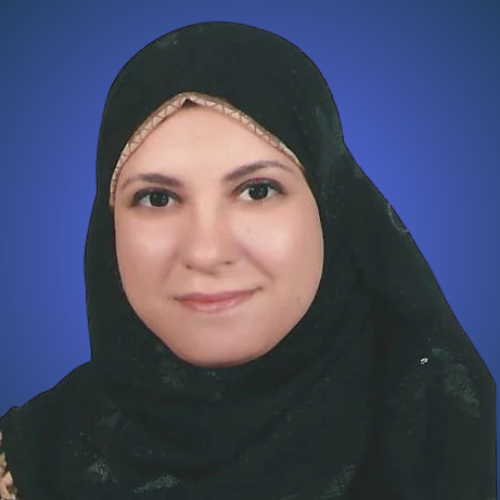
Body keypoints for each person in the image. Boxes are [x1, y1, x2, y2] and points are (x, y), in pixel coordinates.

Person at [0, 21, 496, 500]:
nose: (206, 251)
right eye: (156, 198)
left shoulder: (439, 434)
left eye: (257, 190)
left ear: (331, 209)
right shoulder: (26, 467)